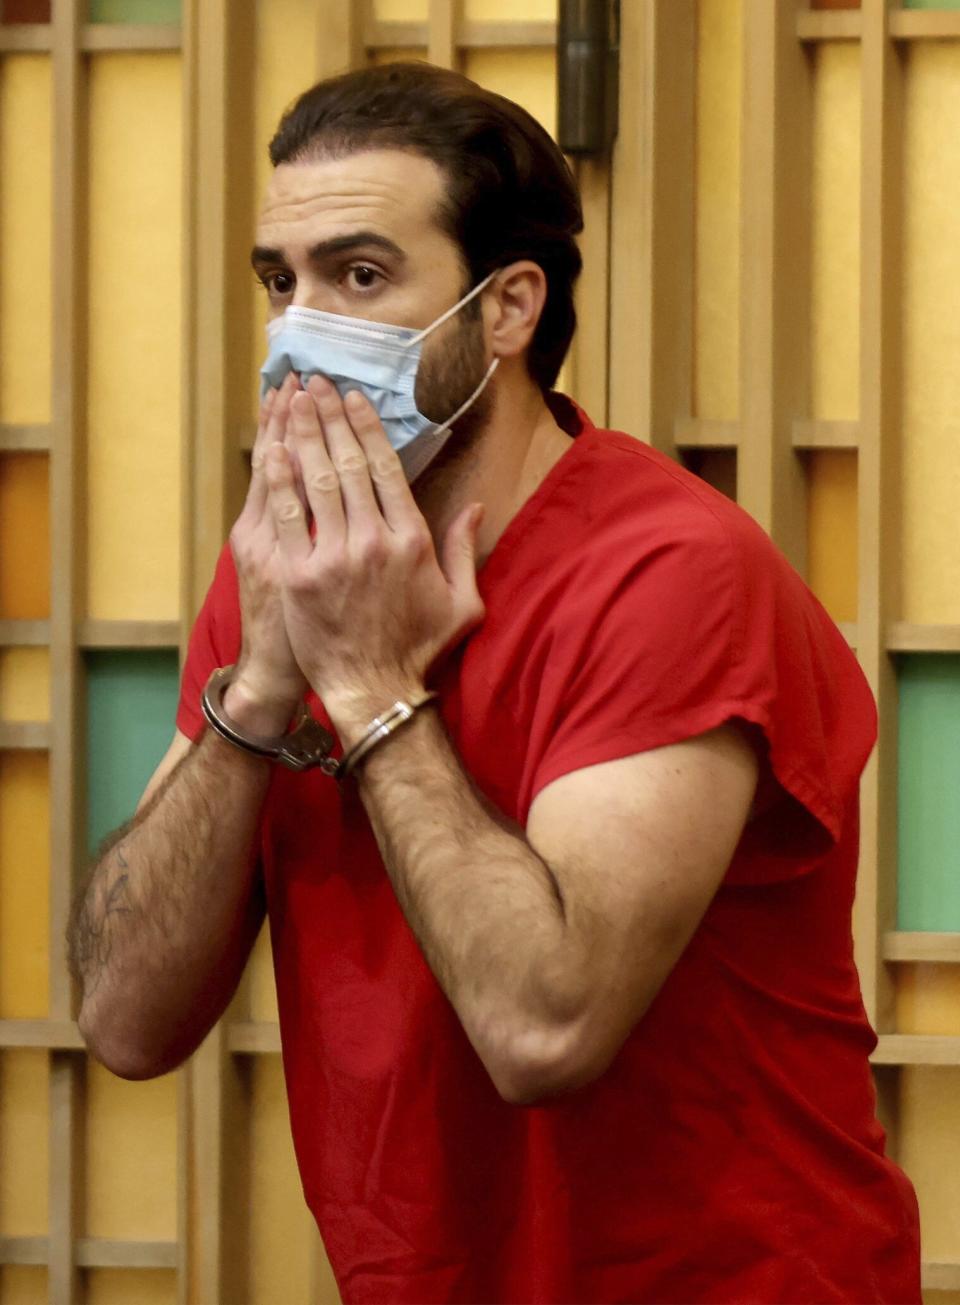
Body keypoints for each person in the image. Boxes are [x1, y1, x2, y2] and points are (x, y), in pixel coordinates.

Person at [68, 61, 921, 1305]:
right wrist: (258, 685)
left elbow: (544, 1030)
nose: (300, 332)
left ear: (508, 306)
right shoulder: (292, 568)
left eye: (358, 277)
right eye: (280, 282)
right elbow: (123, 1023)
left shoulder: (672, 572)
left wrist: (363, 683)